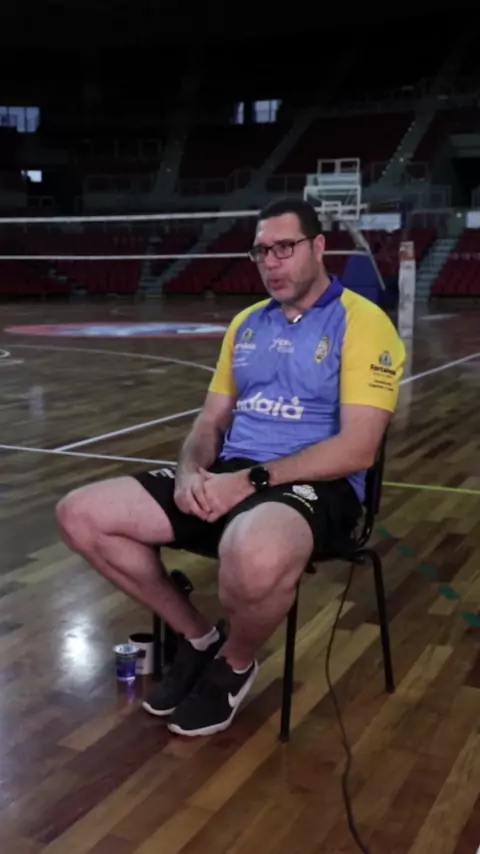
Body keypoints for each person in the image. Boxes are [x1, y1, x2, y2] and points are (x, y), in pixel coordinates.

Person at [56, 198, 406, 738]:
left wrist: (249, 482)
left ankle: (235, 664)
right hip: (231, 474)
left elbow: (357, 449)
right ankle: (200, 639)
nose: (271, 262)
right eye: (261, 252)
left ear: (318, 246)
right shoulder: (246, 323)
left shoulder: (363, 322)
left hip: (315, 486)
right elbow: (211, 419)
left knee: (251, 552)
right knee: (80, 514)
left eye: (284, 248)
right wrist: (191, 469)